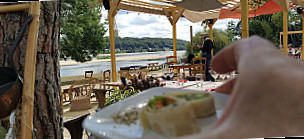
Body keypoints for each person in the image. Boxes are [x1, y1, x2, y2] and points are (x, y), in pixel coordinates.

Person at [181, 36, 304, 139]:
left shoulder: (207, 42)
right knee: (208, 73)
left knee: (207, 72)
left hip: (206, 57)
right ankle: (209, 78)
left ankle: (209, 79)